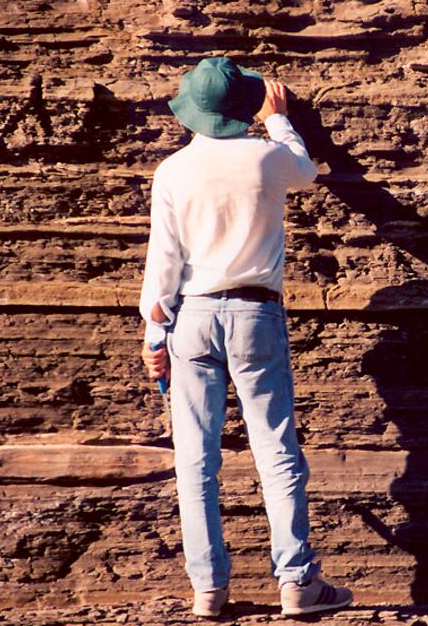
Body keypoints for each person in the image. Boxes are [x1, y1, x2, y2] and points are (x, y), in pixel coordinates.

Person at [138, 56, 353, 618]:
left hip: (191, 318)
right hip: (256, 315)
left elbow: (163, 266)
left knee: (196, 460)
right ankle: (297, 584)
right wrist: (278, 118)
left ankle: (208, 591)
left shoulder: (172, 172)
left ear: (191, 112)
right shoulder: (266, 158)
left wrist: (155, 336)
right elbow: (306, 169)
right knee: (276, 451)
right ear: (242, 109)